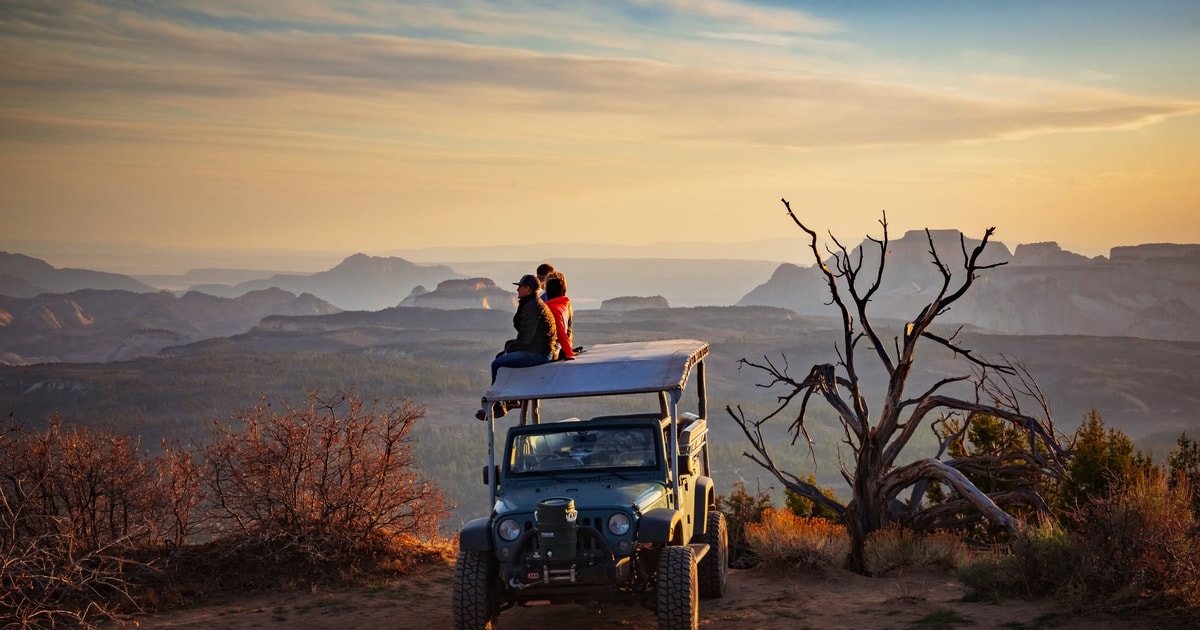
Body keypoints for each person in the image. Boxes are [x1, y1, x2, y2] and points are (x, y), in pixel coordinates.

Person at [477, 274, 558, 420]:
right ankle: (511, 400)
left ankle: (499, 404)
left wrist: (511, 347)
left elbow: (526, 339)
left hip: (540, 353)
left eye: (520, 286)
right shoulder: (531, 303)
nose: (517, 290)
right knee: (501, 357)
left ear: (528, 289)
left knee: (498, 364)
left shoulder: (533, 307)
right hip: (536, 349)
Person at [543, 274, 575, 360]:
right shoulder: (563, 306)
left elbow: (561, 332)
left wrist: (569, 353)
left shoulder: (552, 308)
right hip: (558, 349)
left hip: (551, 351)